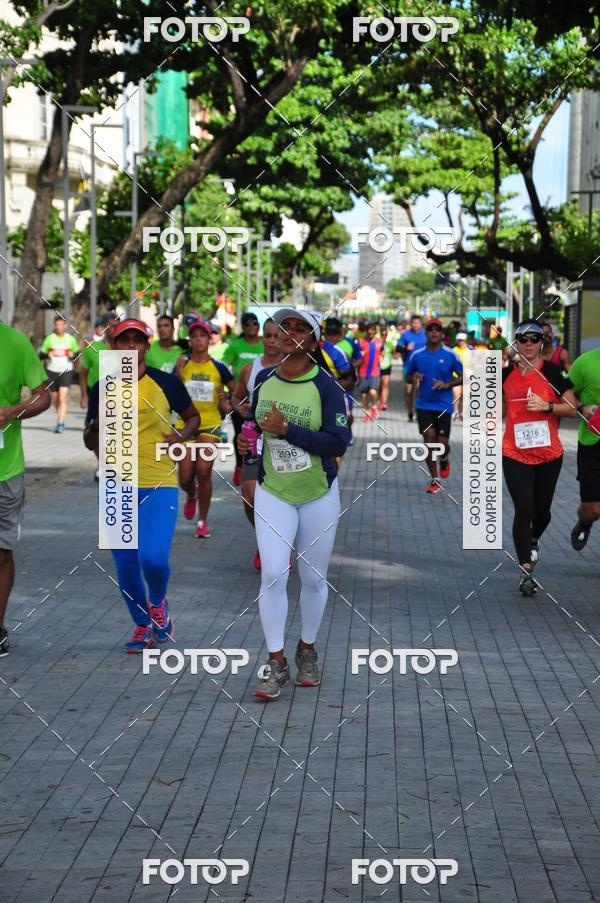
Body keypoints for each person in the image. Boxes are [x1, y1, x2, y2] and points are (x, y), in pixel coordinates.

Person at [238, 309, 350, 700]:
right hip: (275, 492)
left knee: (313, 578)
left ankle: (307, 648)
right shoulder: (263, 378)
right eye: (286, 327)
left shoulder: (327, 387)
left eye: (301, 328)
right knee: (272, 574)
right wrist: (248, 462)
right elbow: (252, 428)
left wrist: (289, 431)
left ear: (314, 342)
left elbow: (338, 444)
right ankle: (275, 662)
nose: (290, 333)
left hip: (318, 493)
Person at [84, 319, 199, 652]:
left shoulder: (166, 382)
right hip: (116, 482)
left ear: (147, 346)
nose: (131, 346)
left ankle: (159, 604)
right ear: (114, 347)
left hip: (158, 480)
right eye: (124, 341)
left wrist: (180, 434)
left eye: (137, 340)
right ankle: (141, 624)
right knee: (127, 565)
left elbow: (192, 416)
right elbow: (89, 438)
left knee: (154, 558)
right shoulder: (102, 386)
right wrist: (98, 429)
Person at [501, 321, 577, 596]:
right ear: (517, 343)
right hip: (514, 452)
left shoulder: (553, 372)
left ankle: (534, 538)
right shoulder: (506, 374)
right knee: (524, 508)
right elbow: (493, 409)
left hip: (548, 454)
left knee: (542, 512)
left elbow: (572, 407)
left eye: (535, 338)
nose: (529, 343)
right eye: (523, 339)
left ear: (542, 343)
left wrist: (546, 406)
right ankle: (526, 571)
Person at [0, 301, 51, 656]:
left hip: (6, 468)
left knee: (2, 552)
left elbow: (43, 395)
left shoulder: (16, 344)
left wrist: (13, 410)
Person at [174, 320, 235, 538]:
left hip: (210, 424)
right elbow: (172, 395)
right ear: (190, 341)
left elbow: (234, 397)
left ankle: (202, 520)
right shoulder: (182, 365)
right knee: (185, 478)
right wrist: (178, 377)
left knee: (203, 471)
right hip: (185, 425)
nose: (198, 339)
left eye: (203, 335)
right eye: (195, 336)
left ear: (209, 340)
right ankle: (192, 496)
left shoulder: (219, 368)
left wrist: (225, 400)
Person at [232, 318, 283, 569]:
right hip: (256, 441)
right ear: (262, 338)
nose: (272, 341)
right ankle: (265, 541)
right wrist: (243, 411)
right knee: (250, 495)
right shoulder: (249, 369)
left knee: (283, 499)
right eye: (268, 336)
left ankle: (281, 543)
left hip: (285, 444)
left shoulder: (292, 368)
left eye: (277, 336)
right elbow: (236, 397)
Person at [405, 318, 463, 493]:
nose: (434, 332)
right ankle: (435, 478)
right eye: (430, 329)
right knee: (430, 439)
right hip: (424, 404)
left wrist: (446, 385)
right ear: (426, 333)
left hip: (444, 405)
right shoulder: (417, 355)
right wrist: (414, 378)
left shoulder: (450, 354)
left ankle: (444, 458)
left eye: (437, 329)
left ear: (442, 333)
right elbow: (408, 376)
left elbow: (462, 376)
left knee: (442, 444)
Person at [222, 312, 264, 486]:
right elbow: (224, 366)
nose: (252, 327)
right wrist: (230, 389)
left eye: (255, 323)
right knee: (241, 432)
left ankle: (259, 463)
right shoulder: (235, 345)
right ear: (243, 327)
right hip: (239, 396)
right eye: (247, 324)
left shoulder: (264, 344)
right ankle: (241, 465)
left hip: (261, 396)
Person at [566, 346, 600, 551]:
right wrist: (581, 408)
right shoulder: (586, 362)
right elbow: (562, 392)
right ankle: (584, 522)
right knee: (592, 510)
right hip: (593, 444)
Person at [79, 313, 120, 479]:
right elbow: (83, 373)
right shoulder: (92, 349)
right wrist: (84, 395)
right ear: (103, 328)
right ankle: (102, 463)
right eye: (111, 326)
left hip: (120, 397)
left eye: (117, 326)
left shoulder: (126, 350)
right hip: (98, 395)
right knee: (94, 429)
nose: (114, 329)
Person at [39, 314, 79, 432]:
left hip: (66, 371)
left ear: (65, 325)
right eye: (57, 325)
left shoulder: (70, 339)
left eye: (61, 325)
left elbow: (77, 355)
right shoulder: (49, 338)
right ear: (54, 325)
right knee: (55, 398)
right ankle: (60, 415)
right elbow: (40, 355)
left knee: (62, 398)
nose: (58, 327)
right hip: (52, 371)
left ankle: (60, 422)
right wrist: (48, 355)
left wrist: (73, 356)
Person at [396, 314, 426, 421]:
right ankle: (410, 412)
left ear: (421, 324)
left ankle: (419, 412)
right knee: (408, 392)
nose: (416, 325)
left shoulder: (426, 334)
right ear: (411, 324)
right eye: (414, 323)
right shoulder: (406, 335)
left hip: (423, 367)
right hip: (409, 366)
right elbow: (398, 348)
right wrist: (405, 348)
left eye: (418, 323)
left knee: (419, 390)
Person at [356, 323, 383, 422]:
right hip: (363, 371)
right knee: (364, 395)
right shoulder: (361, 342)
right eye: (369, 332)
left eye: (372, 332)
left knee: (372, 391)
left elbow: (382, 351)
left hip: (375, 371)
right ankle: (367, 413)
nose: (370, 334)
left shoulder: (380, 341)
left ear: (375, 332)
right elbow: (356, 356)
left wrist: (382, 357)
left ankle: (374, 407)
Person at [452, 332, 472, 418]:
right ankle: (455, 411)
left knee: (466, 395)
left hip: (468, 374)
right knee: (457, 394)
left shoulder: (470, 349)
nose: (461, 342)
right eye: (459, 340)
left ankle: (463, 413)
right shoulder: (454, 349)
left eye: (462, 340)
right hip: (456, 375)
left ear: (465, 340)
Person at [377, 325, 395, 411]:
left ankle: (384, 403)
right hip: (377, 367)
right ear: (380, 334)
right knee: (379, 385)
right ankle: (380, 400)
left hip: (387, 366)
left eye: (385, 334)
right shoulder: (377, 344)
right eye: (382, 334)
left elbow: (394, 354)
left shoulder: (390, 344)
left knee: (385, 385)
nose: (384, 336)